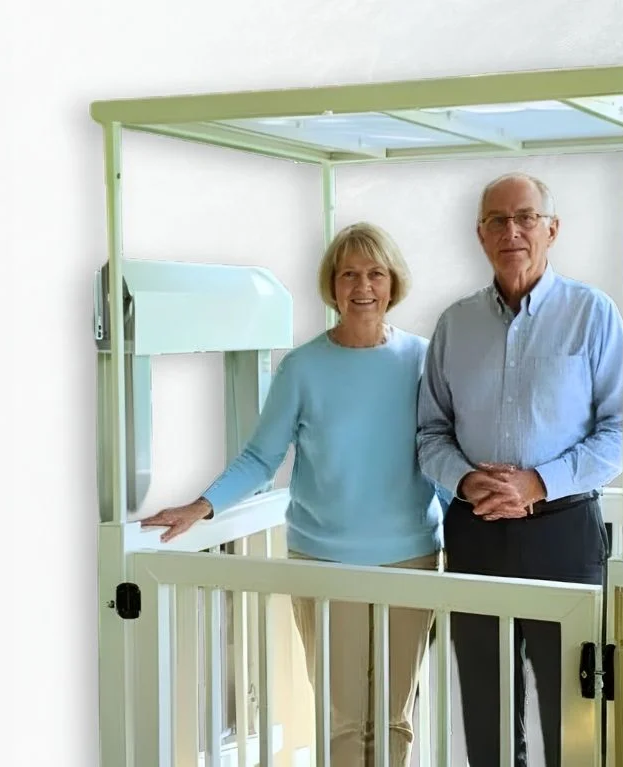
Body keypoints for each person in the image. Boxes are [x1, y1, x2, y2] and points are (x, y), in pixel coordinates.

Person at [138, 221, 446, 767]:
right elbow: (261, 457)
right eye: (348, 273)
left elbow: (442, 454)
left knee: (395, 718)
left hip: (412, 557)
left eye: (375, 272)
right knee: (347, 719)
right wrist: (201, 505)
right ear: (332, 285)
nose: (362, 286)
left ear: (393, 282)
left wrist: (474, 527)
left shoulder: (423, 361)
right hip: (324, 560)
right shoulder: (303, 368)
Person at [416, 172, 623, 767]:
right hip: (475, 533)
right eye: (497, 220)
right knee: (487, 715)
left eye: (524, 217)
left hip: (564, 536)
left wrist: (538, 484)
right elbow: (430, 433)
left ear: (552, 228)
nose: (511, 231)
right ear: (479, 234)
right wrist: (468, 482)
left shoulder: (593, 315)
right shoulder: (453, 325)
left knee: (576, 713)